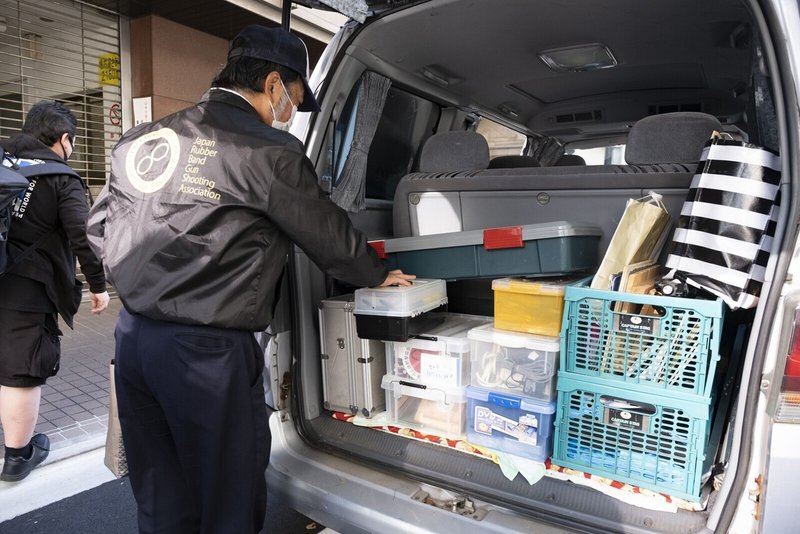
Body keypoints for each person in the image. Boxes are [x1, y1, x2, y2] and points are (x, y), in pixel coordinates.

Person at [86, 25, 414, 533]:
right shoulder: (269, 151)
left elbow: (98, 228)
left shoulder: (143, 140)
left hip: (133, 342)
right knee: (228, 496)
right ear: (273, 83)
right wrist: (376, 274)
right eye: (295, 99)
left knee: (159, 491)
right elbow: (326, 234)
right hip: (208, 353)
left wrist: (146, 283)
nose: (291, 111)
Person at [0, 101, 110, 482]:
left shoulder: (4, 161)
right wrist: (99, 285)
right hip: (27, 289)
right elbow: (84, 236)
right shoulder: (61, 178)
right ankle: (18, 456)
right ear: (64, 139)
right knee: (21, 369)